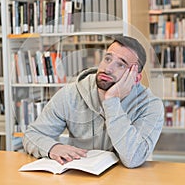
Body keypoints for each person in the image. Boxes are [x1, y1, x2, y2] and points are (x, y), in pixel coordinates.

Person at [23, 35, 164, 168]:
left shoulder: (151, 106)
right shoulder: (71, 93)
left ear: (136, 78)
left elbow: (134, 158)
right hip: (80, 177)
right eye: (107, 59)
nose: (108, 69)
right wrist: (52, 148)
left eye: (120, 65)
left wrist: (112, 101)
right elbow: (32, 135)